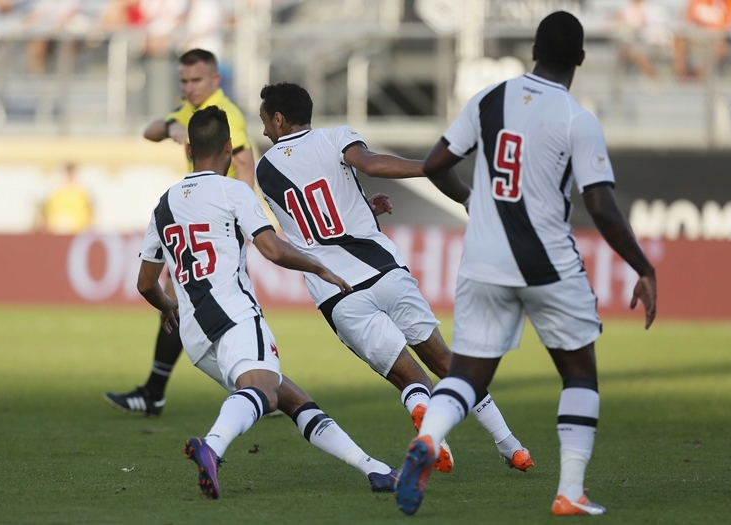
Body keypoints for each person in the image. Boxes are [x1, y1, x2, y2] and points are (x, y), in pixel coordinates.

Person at [394, 11, 658, 516]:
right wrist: (643, 267)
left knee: (469, 373)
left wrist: (473, 200)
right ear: (581, 59)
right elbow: (600, 206)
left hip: (483, 260)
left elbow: (433, 166)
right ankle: (570, 491)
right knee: (579, 375)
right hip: (547, 263)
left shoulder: (490, 99)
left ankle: (429, 438)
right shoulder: (577, 119)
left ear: (533, 49)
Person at [255, 82, 533, 476]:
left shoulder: (265, 169)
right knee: (444, 360)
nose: (265, 129)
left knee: (408, 376)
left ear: (280, 119)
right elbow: (369, 165)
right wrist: (427, 167)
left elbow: (308, 222)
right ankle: (511, 445)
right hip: (384, 270)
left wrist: (361, 208)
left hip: (335, 289)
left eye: (266, 120)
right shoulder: (337, 137)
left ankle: (422, 410)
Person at [137, 106, 399, 498]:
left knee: (292, 398)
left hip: (195, 333)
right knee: (265, 391)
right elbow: (272, 249)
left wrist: (168, 306)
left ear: (189, 149)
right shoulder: (233, 191)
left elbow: (145, 284)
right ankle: (213, 445)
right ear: (229, 147)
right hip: (235, 316)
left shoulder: (164, 204)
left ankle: (374, 469)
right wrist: (319, 267)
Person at [104, 48, 255, 415]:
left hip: (219, 224)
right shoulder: (189, 110)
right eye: (184, 81)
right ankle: (257, 383)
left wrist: (246, 220)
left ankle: (259, 386)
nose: (189, 87)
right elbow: (149, 131)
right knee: (193, 303)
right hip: (201, 220)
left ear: (215, 80)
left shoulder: (225, 115)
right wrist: (172, 124)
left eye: (196, 80)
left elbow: (245, 164)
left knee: (190, 302)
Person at [674, 0, 731, 79]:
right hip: (698, 35)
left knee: (720, 45)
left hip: (720, 38)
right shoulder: (698, 2)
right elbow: (686, 18)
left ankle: (699, 76)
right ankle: (682, 77)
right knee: (679, 38)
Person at [609, 0, 673, 79]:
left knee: (634, 51)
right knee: (631, 51)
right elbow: (610, 23)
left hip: (652, 43)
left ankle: (656, 79)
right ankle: (655, 79)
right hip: (636, 43)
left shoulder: (653, 8)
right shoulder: (626, 8)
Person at [38, 163, 93, 234]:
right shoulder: (55, 191)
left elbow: (90, 212)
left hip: (77, 232)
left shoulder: (82, 192)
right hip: (56, 231)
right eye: (67, 174)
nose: (69, 176)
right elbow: (45, 211)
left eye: (71, 174)